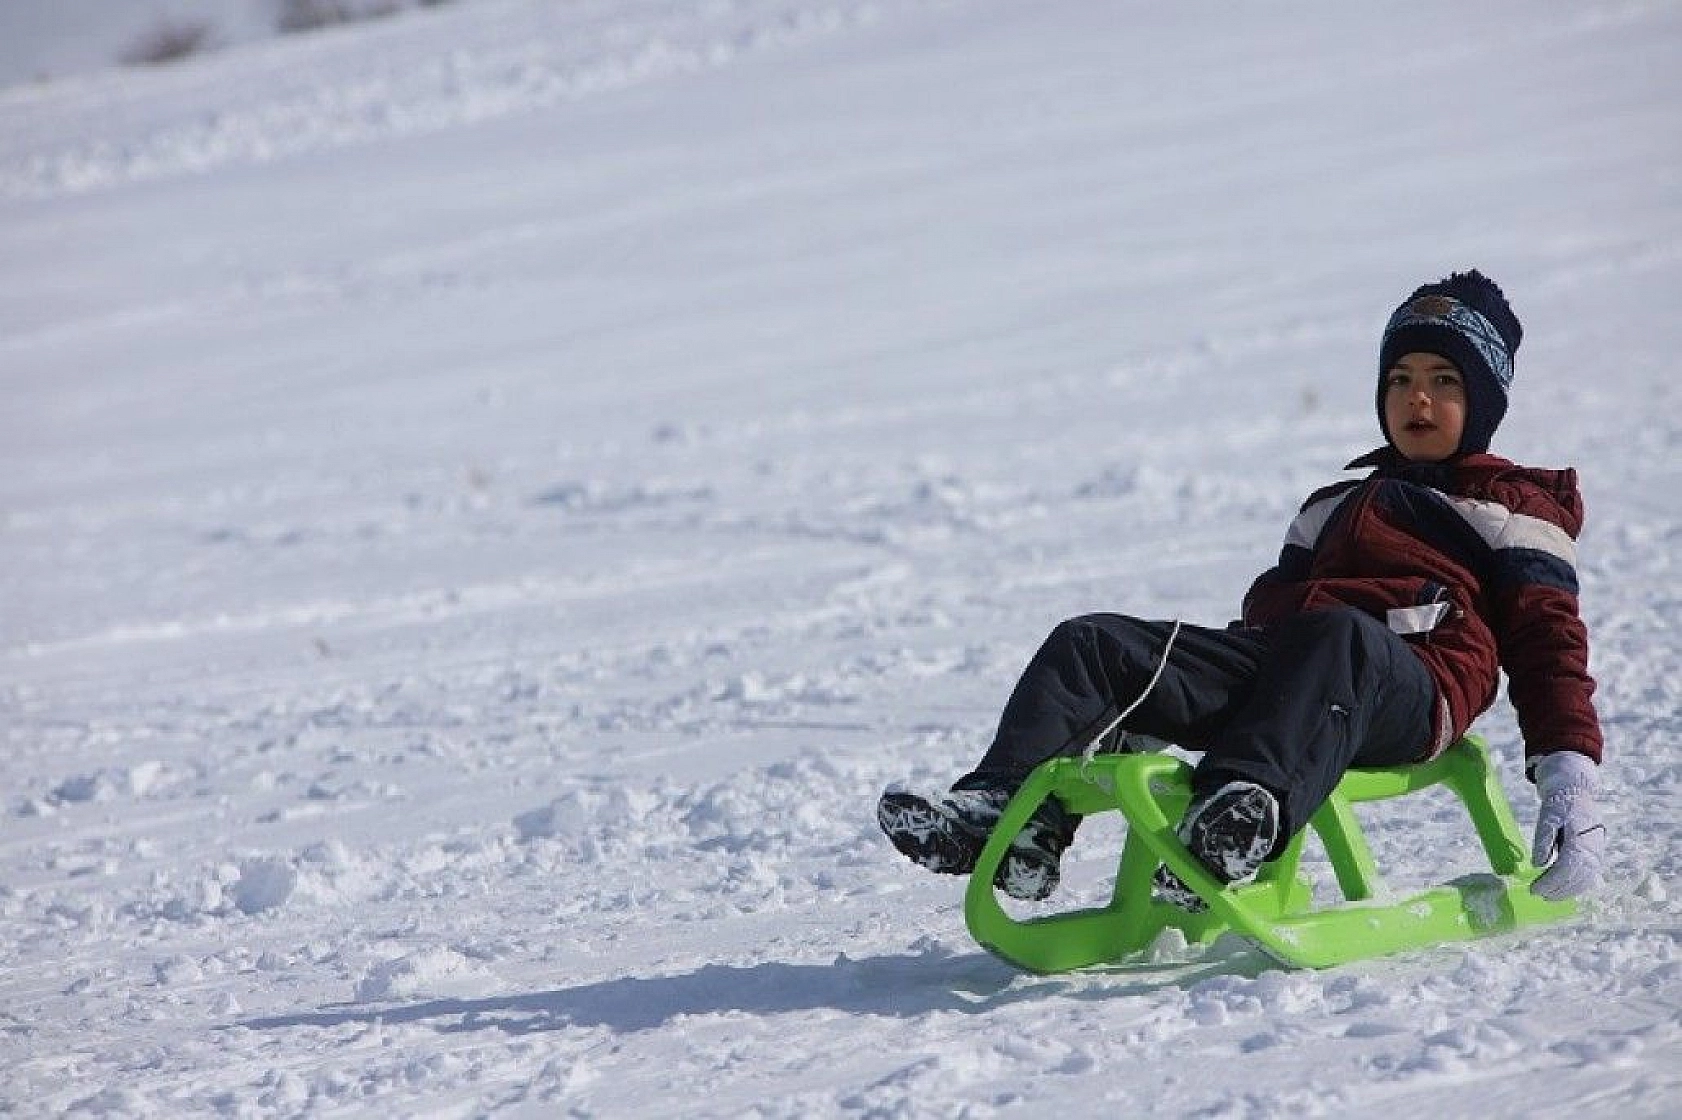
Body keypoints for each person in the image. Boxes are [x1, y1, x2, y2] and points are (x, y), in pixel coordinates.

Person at [876, 270, 1607, 909]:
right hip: (1295, 673)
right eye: (1399, 379)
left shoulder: (1514, 507)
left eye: (1445, 381)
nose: (1417, 397)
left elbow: (1548, 642)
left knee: (1338, 633)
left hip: (1411, 689)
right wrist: (1162, 696)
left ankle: (1232, 820)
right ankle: (1009, 817)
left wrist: (1568, 773)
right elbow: (1266, 615)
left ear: (1484, 400)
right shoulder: (1330, 506)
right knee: (1092, 643)